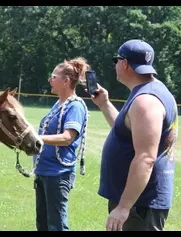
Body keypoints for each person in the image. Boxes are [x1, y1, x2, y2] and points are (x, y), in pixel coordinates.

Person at [92, 39, 177, 231]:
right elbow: (129, 134)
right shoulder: (148, 93)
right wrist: (104, 105)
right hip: (138, 203)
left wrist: (123, 207)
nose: (115, 66)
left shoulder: (146, 101)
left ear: (125, 64)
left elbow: (146, 158)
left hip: (140, 205)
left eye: (116, 60)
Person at [33, 57, 90, 231]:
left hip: (58, 173)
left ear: (66, 81)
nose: (50, 80)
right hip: (44, 171)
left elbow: (67, 138)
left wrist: (37, 138)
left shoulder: (75, 106)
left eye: (54, 77)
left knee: (57, 225)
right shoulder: (59, 104)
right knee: (42, 224)